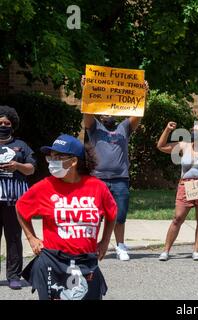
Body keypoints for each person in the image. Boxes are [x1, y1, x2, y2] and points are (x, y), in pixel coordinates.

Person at [15, 134, 117, 300]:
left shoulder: (97, 187)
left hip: (87, 262)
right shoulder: (45, 187)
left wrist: (105, 241)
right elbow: (21, 208)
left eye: (58, 157)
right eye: (51, 157)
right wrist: (31, 238)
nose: (52, 161)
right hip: (53, 261)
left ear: (74, 161)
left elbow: (112, 213)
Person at [81, 76, 147, 261]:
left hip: (120, 179)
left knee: (120, 216)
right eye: (104, 112)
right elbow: (86, 112)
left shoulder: (123, 128)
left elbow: (138, 114)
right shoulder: (94, 128)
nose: (107, 115)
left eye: (110, 111)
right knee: (95, 216)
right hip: (97, 179)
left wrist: (142, 93)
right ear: (100, 115)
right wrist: (86, 90)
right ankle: (91, 246)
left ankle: (120, 246)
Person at [156, 121, 198, 261]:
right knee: (177, 218)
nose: (194, 133)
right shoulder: (184, 146)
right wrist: (167, 130)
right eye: (192, 130)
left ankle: (196, 251)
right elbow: (161, 146)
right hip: (185, 185)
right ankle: (166, 250)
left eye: (197, 131)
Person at [0, 105, 36, 290]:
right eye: (0, 122)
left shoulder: (21, 145)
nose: (4, 125)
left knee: (14, 238)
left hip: (14, 200)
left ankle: (14, 276)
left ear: (12, 124)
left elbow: (31, 168)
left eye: (7, 122)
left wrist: (17, 166)